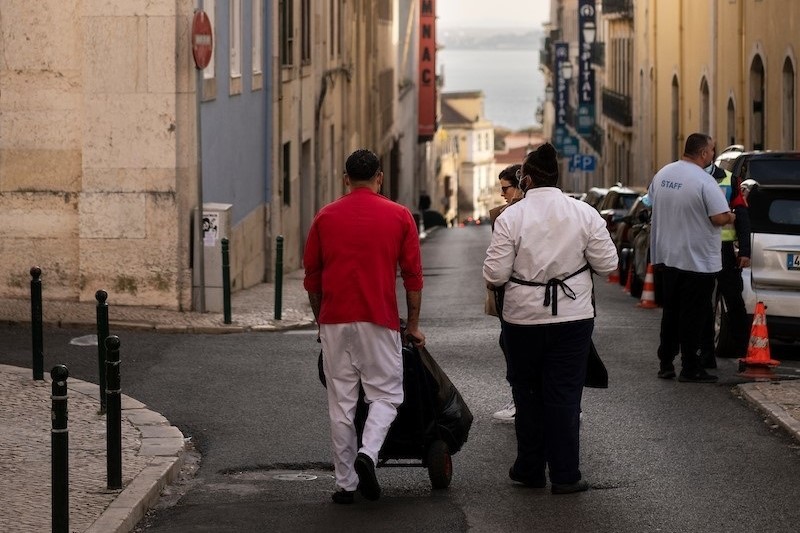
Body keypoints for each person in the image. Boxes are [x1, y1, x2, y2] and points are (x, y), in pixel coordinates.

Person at [483, 143, 618, 494]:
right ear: (557, 178)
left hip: (522, 318)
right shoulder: (584, 213)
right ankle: (565, 475)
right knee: (564, 396)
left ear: (525, 179)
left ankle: (529, 469)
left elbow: (495, 275)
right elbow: (609, 265)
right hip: (573, 318)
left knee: (526, 393)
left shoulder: (511, 217)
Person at [303, 149, 425, 504]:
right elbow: (413, 277)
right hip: (379, 319)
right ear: (379, 177)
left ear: (345, 179)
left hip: (335, 320)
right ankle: (369, 453)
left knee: (341, 403)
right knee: (385, 395)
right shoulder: (399, 216)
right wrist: (413, 324)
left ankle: (345, 484)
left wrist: (320, 323)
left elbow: (313, 278)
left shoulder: (325, 217)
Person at [648, 133, 735, 383]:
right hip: (697, 261)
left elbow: (652, 201)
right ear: (704, 153)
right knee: (693, 316)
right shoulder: (704, 181)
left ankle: (665, 363)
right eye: (712, 150)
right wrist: (732, 217)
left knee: (671, 313)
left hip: (668, 257)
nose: (713, 155)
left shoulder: (663, 174)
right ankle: (690, 367)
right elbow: (718, 217)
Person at [700, 162, 751, 368]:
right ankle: (705, 355)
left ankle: (745, 353)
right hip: (700, 248)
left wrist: (745, 251)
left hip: (724, 249)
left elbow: (742, 215)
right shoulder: (690, 176)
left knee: (734, 302)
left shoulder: (729, 178)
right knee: (703, 302)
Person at [487, 164, 523, 422]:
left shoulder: (510, 217)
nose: (503, 194)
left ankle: (520, 401)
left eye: (506, 188)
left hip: (516, 297)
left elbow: (498, 268)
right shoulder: (505, 213)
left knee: (514, 348)